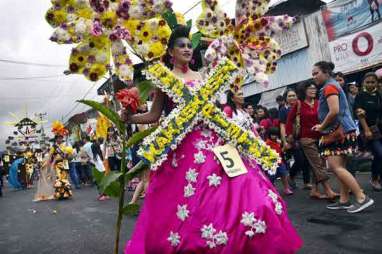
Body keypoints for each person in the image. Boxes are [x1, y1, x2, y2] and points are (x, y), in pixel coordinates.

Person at [123, 25, 302, 253]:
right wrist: (129, 118)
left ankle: (241, 238)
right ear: (170, 52)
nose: (187, 49)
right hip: (184, 150)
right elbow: (154, 115)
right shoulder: (164, 81)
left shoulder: (202, 77)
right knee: (195, 203)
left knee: (246, 190)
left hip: (217, 143)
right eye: (181, 46)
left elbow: (215, 109)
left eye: (189, 46)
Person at [312, 61, 374, 213]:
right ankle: (344, 200)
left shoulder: (329, 87)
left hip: (338, 132)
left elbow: (334, 111)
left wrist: (321, 126)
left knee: (336, 167)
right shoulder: (332, 85)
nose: (314, 77)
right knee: (341, 167)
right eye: (313, 74)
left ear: (326, 72)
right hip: (343, 131)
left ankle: (361, 197)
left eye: (316, 73)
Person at [286, 81, 338, 200]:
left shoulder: (319, 103)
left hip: (320, 137)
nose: (313, 90)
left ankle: (314, 190)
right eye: (310, 88)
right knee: (318, 164)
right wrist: (289, 135)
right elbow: (289, 120)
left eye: (314, 88)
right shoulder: (298, 104)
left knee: (317, 164)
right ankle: (328, 190)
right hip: (306, 138)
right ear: (304, 90)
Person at [354, 72, 382, 191]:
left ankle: (379, 178)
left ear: (376, 83)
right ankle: (374, 179)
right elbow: (360, 114)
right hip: (369, 130)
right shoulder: (360, 96)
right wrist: (366, 130)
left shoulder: (379, 95)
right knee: (380, 154)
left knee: (379, 155)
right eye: (368, 82)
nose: (370, 84)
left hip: (380, 128)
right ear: (364, 83)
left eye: (373, 82)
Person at [280, 89, 311, 190]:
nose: (292, 97)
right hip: (291, 138)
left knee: (306, 159)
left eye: (293, 95)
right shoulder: (283, 110)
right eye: (289, 96)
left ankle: (306, 182)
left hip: (304, 136)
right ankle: (291, 176)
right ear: (286, 98)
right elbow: (282, 126)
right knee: (299, 159)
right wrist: (285, 141)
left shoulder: (301, 106)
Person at [266, 127, 293, 195]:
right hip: (271, 163)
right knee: (272, 177)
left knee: (283, 174)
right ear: (269, 134)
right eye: (272, 135)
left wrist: (283, 147)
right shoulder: (268, 143)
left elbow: (280, 152)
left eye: (275, 135)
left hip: (279, 161)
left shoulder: (277, 142)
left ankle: (286, 188)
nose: (274, 136)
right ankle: (272, 189)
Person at [51, 134, 74, 200]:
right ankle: (59, 194)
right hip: (57, 164)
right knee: (59, 178)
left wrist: (68, 154)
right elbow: (51, 156)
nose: (59, 139)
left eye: (61, 138)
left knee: (65, 178)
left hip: (65, 162)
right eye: (58, 138)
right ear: (56, 139)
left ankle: (66, 194)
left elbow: (70, 154)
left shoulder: (65, 145)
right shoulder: (54, 146)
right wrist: (51, 163)